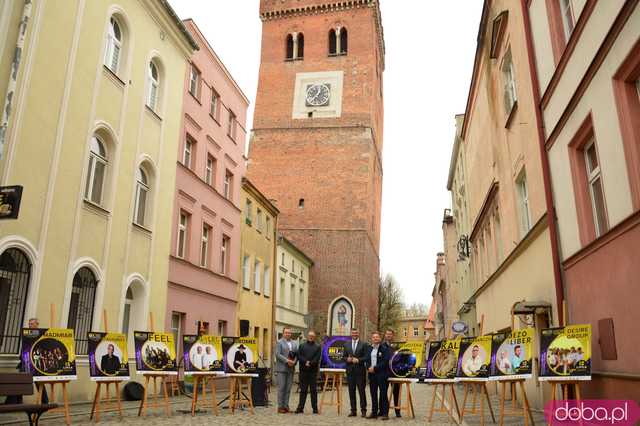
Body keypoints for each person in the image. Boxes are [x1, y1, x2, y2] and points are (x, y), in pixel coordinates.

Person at [343, 327, 368, 417]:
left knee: (361, 391)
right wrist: (347, 359)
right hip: (350, 372)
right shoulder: (346, 344)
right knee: (351, 391)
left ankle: (363, 410)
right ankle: (353, 410)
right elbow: (343, 357)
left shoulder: (364, 344)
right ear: (351, 334)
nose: (354, 334)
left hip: (360, 372)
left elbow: (366, 357)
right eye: (353, 333)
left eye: (356, 333)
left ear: (359, 333)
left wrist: (359, 360)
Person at [366, 331, 391, 420]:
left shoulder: (384, 348)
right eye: (374, 337)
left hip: (381, 374)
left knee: (383, 394)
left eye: (377, 337)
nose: (375, 338)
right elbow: (367, 359)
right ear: (372, 339)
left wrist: (375, 368)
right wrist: (368, 368)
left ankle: (385, 413)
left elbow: (385, 361)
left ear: (380, 339)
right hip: (372, 375)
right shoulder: (369, 348)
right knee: (373, 394)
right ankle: (374, 412)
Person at [295, 330, 321, 414]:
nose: (311, 337)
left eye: (312, 336)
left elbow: (317, 358)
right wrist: (305, 361)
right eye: (310, 336)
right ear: (307, 336)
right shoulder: (302, 345)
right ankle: (300, 408)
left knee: (314, 390)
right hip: (303, 371)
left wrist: (310, 363)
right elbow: (299, 355)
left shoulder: (317, 347)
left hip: (313, 371)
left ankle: (315, 408)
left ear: (314, 337)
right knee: (303, 390)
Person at [274, 327, 298, 414]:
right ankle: (280, 407)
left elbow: (296, 354)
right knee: (281, 388)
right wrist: (287, 361)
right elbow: (277, 354)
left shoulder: (294, 343)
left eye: (289, 333)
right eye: (286, 333)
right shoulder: (279, 342)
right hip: (282, 369)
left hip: (291, 368)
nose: (288, 334)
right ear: (283, 333)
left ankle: (286, 406)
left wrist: (294, 362)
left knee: (288, 388)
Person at [383, 328, 401, 417]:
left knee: (396, 393)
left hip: (395, 373)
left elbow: (399, 358)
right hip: (384, 373)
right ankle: (383, 411)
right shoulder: (382, 345)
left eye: (390, 334)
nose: (388, 335)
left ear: (393, 335)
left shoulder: (397, 346)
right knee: (383, 392)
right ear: (385, 335)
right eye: (387, 334)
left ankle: (397, 411)